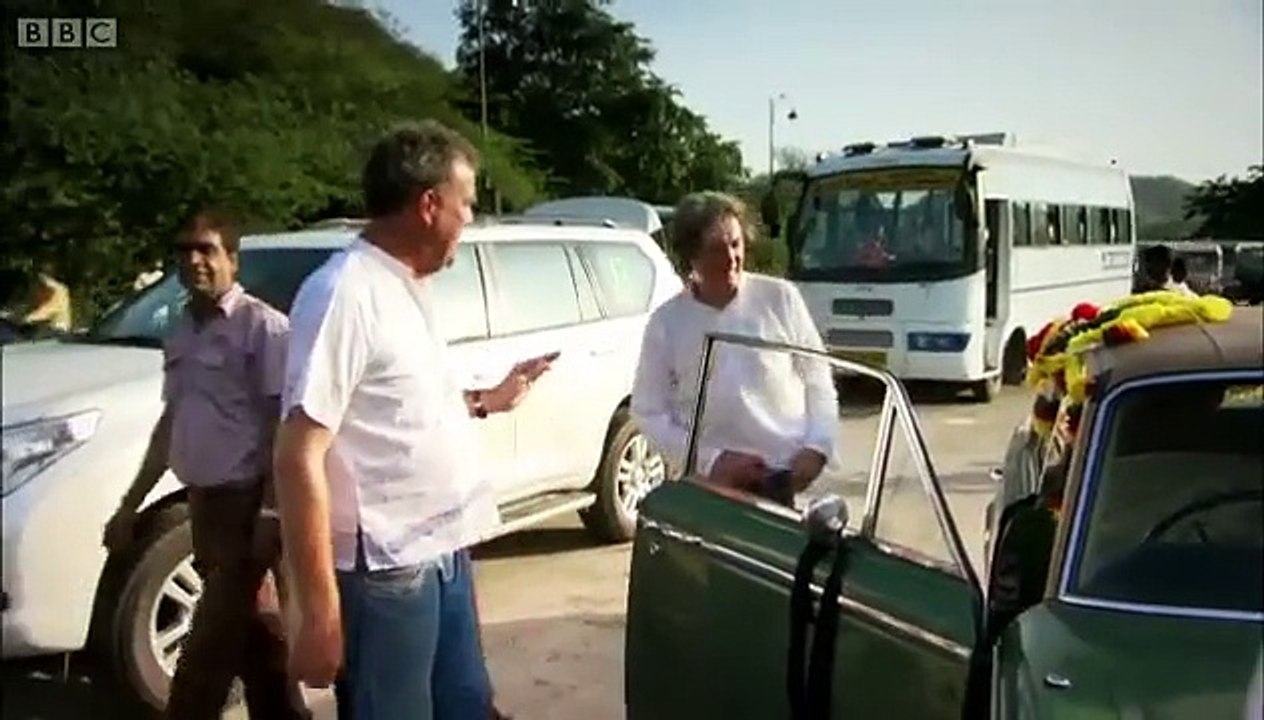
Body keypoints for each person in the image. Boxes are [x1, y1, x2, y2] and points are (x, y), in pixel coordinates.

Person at [274, 120, 547, 719]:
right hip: (387, 571)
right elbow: (298, 455)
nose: (470, 221)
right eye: (466, 204)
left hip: (442, 548)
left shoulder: (406, 285)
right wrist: (320, 613)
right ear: (429, 205)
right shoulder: (343, 293)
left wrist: (487, 399)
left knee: (467, 706)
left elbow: (399, 412)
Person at [102, 210, 309, 720]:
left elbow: (285, 428)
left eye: (207, 250)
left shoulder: (263, 328)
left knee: (205, 656)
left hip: (247, 509)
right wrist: (130, 504)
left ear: (232, 261)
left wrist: (270, 513)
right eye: (185, 250)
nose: (194, 260)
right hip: (206, 509)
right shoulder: (182, 330)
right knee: (257, 645)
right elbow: (171, 421)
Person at [630, 191, 839, 503]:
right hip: (710, 486)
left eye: (735, 244)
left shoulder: (780, 298)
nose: (731, 258)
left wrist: (818, 448)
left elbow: (818, 379)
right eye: (716, 249)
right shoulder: (666, 323)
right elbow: (649, 412)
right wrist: (712, 460)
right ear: (691, 256)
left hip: (786, 478)